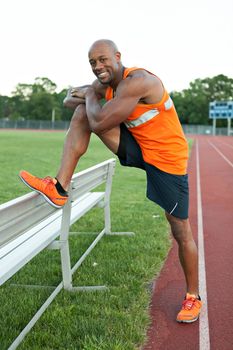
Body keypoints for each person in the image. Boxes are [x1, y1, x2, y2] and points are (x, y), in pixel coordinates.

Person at [19, 39, 202, 323]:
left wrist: (91, 95)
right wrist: (90, 95)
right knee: (82, 113)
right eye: (92, 63)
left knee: (180, 230)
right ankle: (59, 187)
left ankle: (193, 296)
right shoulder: (107, 84)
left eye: (103, 60)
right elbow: (69, 99)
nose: (98, 67)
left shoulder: (138, 82)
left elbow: (101, 121)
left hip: (167, 159)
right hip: (139, 146)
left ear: (118, 57)